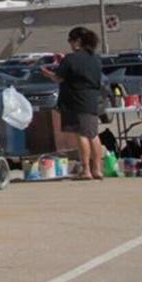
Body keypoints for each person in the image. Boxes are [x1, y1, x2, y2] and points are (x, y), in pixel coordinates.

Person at [42, 26, 104, 180]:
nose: (69, 43)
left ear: (77, 41)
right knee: (93, 134)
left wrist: (47, 73)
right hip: (92, 99)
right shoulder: (95, 58)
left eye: (70, 40)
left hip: (76, 100)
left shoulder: (70, 58)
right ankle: (97, 169)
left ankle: (86, 170)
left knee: (82, 135)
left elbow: (59, 77)